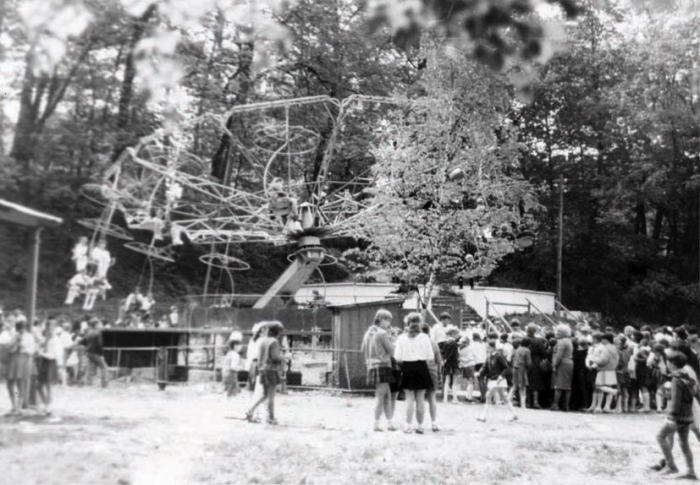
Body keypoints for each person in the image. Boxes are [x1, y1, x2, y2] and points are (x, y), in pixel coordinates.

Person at [650, 351, 698, 479]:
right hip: (687, 415)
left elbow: (676, 399)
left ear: (671, 364)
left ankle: (671, 466)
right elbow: (692, 393)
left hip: (677, 416)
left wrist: (673, 415)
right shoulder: (687, 376)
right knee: (684, 443)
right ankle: (690, 471)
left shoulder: (676, 378)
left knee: (660, 436)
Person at [395, 313, 434, 434]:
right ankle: (420, 426)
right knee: (421, 399)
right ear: (420, 324)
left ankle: (407, 425)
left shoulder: (401, 338)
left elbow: (397, 357)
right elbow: (430, 356)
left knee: (409, 399)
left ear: (407, 323)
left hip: (407, 367)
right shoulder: (425, 337)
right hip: (421, 367)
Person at [360, 309, 397, 432]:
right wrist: (392, 339)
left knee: (386, 394)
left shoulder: (368, 333)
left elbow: (362, 350)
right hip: (383, 365)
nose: (389, 323)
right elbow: (392, 351)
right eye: (387, 320)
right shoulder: (382, 333)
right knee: (381, 395)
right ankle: (376, 424)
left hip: (372, 365)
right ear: (381, 319)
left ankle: (390, 423)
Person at [245, 321, 284, 425]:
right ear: (277, 332)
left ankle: (250, 410)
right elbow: (275, 357)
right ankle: (271, 418)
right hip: (271, 370)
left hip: (262, 370)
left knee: (265, 394)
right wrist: (285, 357)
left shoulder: (262, 341)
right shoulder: (274, 341)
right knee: (271, 396)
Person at [477, 333, 517, 422]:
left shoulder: (499, 356)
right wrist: (479, 373)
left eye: (488, 348)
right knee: (504, 397)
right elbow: (485, 366)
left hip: (499, 380)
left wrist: (501, 376)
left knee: (488, 395)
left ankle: (484, 416)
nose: (486, 349)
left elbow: (507, 368)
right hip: (493, 379)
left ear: (493, 348)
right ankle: (514, 414)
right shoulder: (489, 356)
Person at [5, 319, 35, 415]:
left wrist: (24, 348)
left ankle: (19, 405)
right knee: (10, 383)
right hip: (14, 358)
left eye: (23, 328)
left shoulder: (29, 337)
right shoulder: (14, 336)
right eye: (19, 328)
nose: (21, 330)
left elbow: (32, 350)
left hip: (23, 358)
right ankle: (13, 404)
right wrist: (15, 344)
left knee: (20, 383)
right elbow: (8, 348)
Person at [36, 319, 61, 416]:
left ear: (54, 328)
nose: (49, 330)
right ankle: (46, 404)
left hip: (50, 362)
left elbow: (54, 355)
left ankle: (48, 407)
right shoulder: (46, 339)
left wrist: (41, 353)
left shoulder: (56, 340)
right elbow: (40, 347)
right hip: (44, 362)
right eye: (48, 327)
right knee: (38, 385)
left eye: (51, 328)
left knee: (48, 386)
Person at [421, 322, 442, 432]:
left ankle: (419, 423)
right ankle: (434, 423)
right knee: (432, 398)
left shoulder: (418, 342)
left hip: (419, 371)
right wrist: (439, 374)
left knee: (419, 398)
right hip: (432, 371)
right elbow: (439, 361)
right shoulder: (434, 343)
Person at [591, 333, 619, 413]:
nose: (602, 340)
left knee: (599, 387)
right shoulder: (614, 348)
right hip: (612, 370)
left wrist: (595, 359)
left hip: (604, 369)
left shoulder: (606, 348)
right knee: (609, 386)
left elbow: (603, 360)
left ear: (606, 340)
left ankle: (599, 406)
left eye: (603, 339)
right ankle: (607, 406)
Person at [550, 324, 574, 412]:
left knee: (559, 385)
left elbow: (558, 356)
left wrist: (554, 365)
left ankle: (555, 404)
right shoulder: (569, 341)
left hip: (562, 363)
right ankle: (566, 405)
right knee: (567, 386)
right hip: (569, 362)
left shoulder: (561, 342)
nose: (556, 333)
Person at [81, 318, 108, 388]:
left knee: (90, 368)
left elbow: (83, 342)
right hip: (95, 353)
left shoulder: (89, 332)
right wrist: (102, 353)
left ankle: (86, 382)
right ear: (96, 325)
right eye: (99, 323)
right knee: (104, 367)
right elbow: (100, 344)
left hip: (88, 352)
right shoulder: (98, 333)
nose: (100, 325)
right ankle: (104, 384)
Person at [526, 323, 547, 409]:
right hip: (536, 362)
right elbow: (544, 353)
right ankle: (535, 402)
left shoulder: (524, 339)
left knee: (526, 382)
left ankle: (527, 401)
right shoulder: (538, 341)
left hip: (525, 361)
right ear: (535, 331)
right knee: (536, 382)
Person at [510, 337, 532, 409]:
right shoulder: (527, 350)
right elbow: (528, 362)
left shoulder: (517, 349)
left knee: (514, 386)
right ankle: (523, 405)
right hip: (522, 369)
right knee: (523, 387)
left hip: (515, 368)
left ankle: (508, 400)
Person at [441, 327, 460, 403]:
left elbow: (443, 353)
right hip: (454, 364)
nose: (458, 336)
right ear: (453, 334)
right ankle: (454, 398)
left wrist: (445, 361)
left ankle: (445, 398)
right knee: (455, 381)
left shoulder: (445, 343)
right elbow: (454, 355)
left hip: (446, 364)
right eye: (457, 334)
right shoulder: (454, 344)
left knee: (447, 381)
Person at [458, 336, 476, 402]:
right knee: (471, 381)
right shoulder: (471, 348)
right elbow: (474, 355)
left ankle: (467, 396)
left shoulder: (459, 349)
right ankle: (469, 397)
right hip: (470, 364)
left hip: (463, 366)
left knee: (469, 381)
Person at [471, 332, 488, 402]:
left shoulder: (473, 345)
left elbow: (473, 354)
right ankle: (486, 395)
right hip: (485, 361)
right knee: (486, 379)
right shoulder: (484, 344)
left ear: (474, 338)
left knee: (480, 379)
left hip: (478, 362)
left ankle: (483, 396)